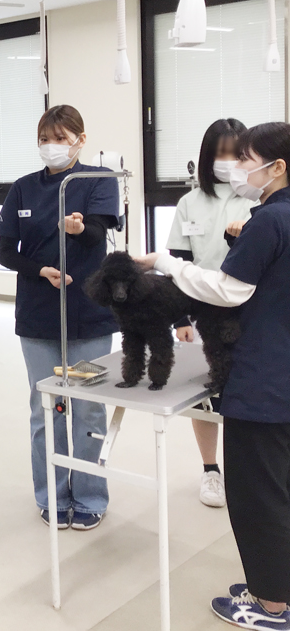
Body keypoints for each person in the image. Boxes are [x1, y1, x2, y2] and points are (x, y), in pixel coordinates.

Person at [137, 122, 290, 628]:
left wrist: (165, 264)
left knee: (259, 495)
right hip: (280, 367)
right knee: (280, 486)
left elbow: (228, 289)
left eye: (246, 158)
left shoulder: (269, 221)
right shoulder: (271, 216)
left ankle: (271, 605)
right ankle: (277, 585)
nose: (239, 168)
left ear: (276, 167)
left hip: (263, 378)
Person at [0, 105, 120, 531]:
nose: (52, 146)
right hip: (38, 314)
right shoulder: (23, 189)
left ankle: (90, 495)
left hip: (88, 311)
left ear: (81, 140)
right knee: (45, 408)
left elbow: (99, 233)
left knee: (88, 409)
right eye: (45, 138)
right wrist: (39, 271)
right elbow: (6, 252)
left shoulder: (97, 180)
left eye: (61, 138)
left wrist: (79, 229)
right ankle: (51, 494)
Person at [165, 118, 255, 509]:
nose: (227, 161)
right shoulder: (190, 202)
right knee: (205, 395)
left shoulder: (256, 198)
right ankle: (210, 470)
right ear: (207, 156)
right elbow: (178, 263)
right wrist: (180, 320)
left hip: (249, 310)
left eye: (235, 154)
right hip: (201, 311)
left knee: (245, 391)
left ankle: (246, 470)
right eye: (220, 153)